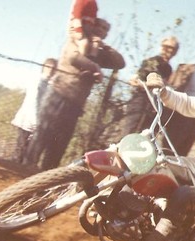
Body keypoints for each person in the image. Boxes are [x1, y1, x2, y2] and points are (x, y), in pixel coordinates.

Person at [119, 72, 195, 241]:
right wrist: (163, 91)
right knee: (154, 163)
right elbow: (189, 104)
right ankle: (123, 213)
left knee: (182, 196)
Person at [23, 18, 125, 171]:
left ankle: (43, 181)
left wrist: (104, 47)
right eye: (99, 26)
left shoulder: (99, 52)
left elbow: (120, 63)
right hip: (58, 94)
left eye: (105, 29)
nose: (101, 30)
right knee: (41, 136)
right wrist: (95, 67)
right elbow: (73, 57)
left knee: (59, 145)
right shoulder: (77, 39)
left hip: (75, 104)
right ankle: (20, 172)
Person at [122, 36, 179, 135]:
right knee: (129, 135)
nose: (169, 50)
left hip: (154, 106)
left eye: (172, 48)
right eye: (166, 46)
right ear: (161, 47)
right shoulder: (152, 61)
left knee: (146, 137)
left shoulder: (169, 68)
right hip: (140, 101)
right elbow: (137, 80)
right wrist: (151, 85)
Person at [11, 58, 57, 163]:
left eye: (53, 69)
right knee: (21, 147)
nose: (50, 70)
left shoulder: (49, 85)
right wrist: (36, 121)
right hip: (29, 118)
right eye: (48, 67)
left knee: (29, 150)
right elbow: (34, 101)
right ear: (43, 67)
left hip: (38, 121)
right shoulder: (38, 82)